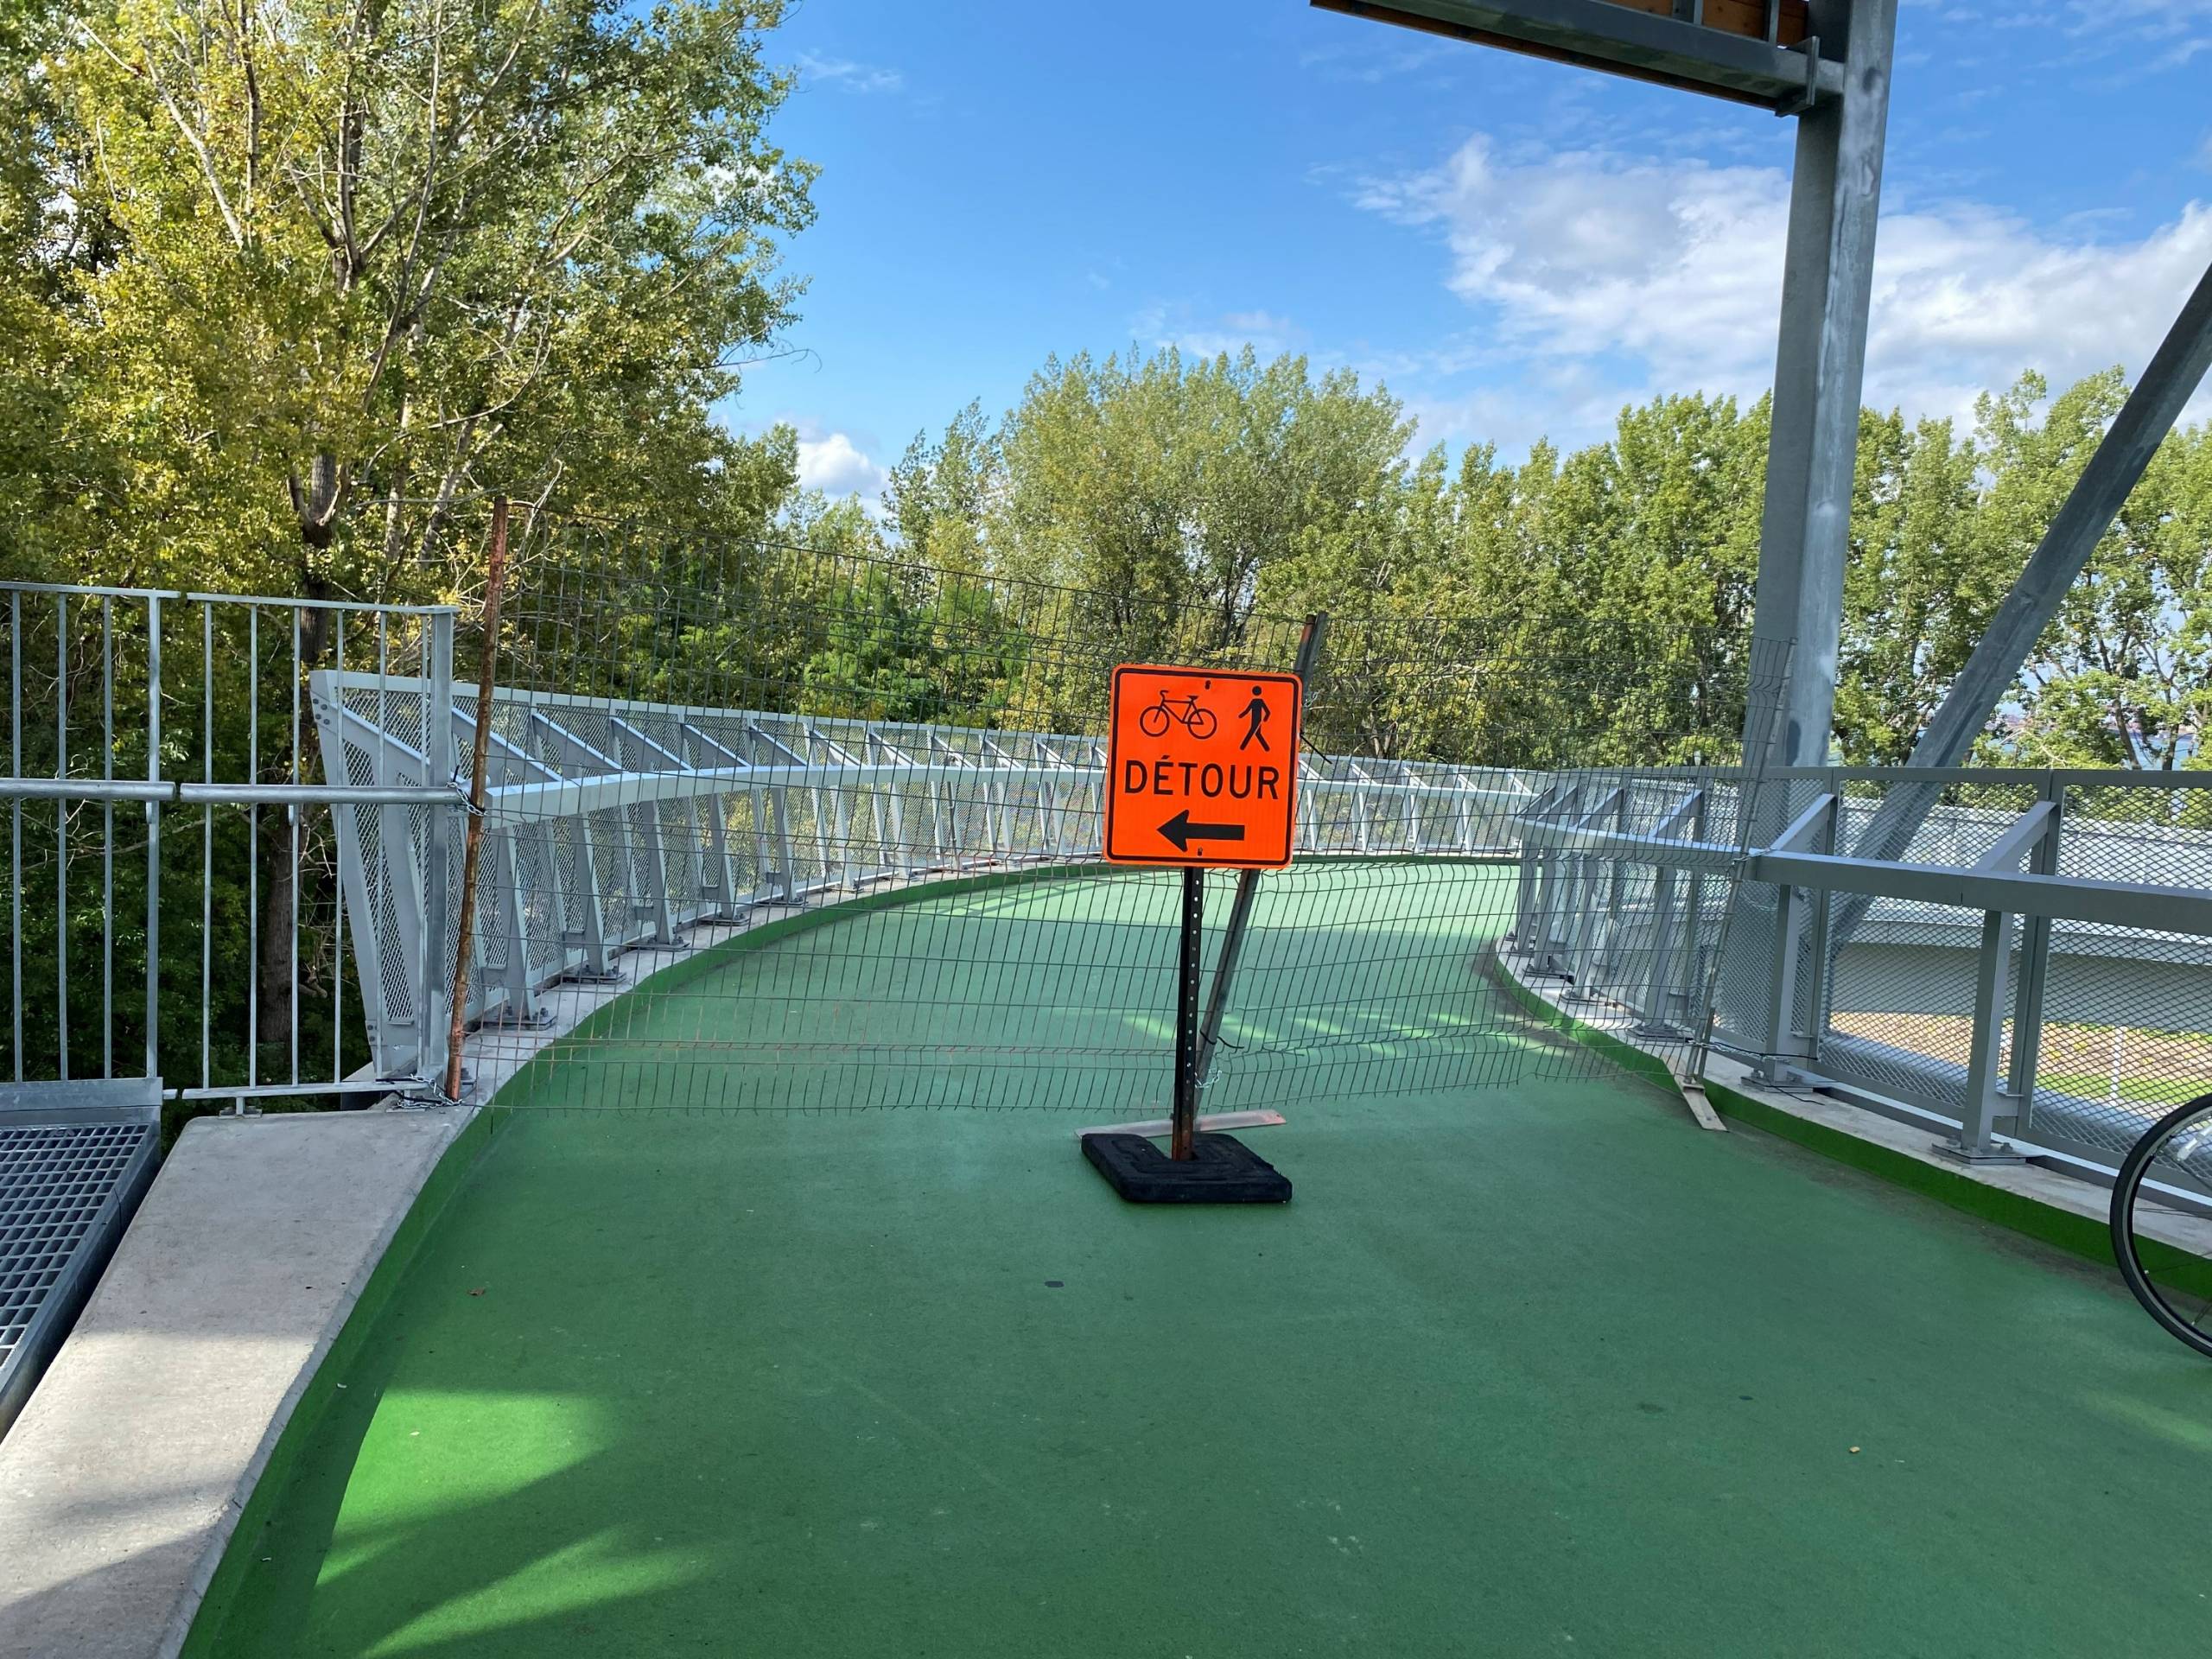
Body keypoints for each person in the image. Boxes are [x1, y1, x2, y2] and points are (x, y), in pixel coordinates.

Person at [1238, 685, 1270, 752]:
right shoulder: (1256, 701)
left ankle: (1242, 747)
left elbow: (1268, 712)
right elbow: (1247, 710)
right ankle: (1266, 748)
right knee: (1257, 734)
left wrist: (1266, 718)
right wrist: (1241, 715)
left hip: (1257, 721)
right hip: (1256, 720)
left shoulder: (1258, 701)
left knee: (1251, 732)